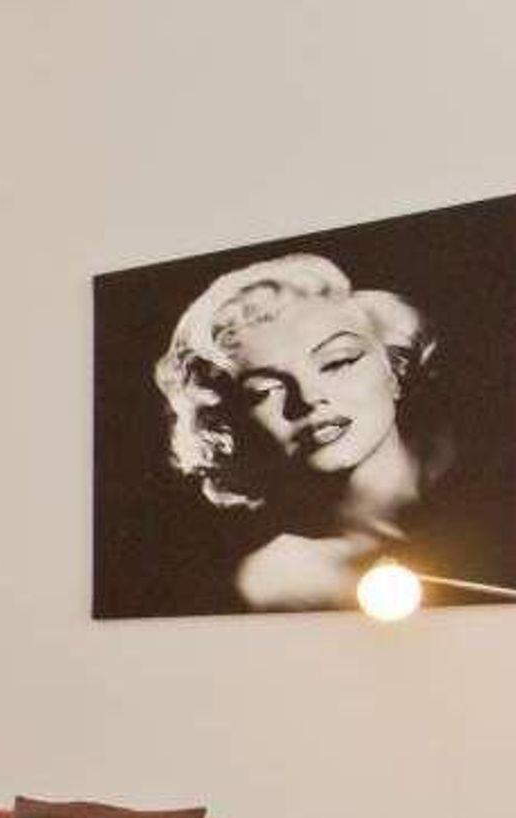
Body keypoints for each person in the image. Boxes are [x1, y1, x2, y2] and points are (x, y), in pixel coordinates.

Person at [154, 254, 448, 610]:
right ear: (229, 429)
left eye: (338, 361)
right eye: (264, 391)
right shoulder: (278, 581)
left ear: (395, 369)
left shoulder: (482, 495)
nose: (308, 398)